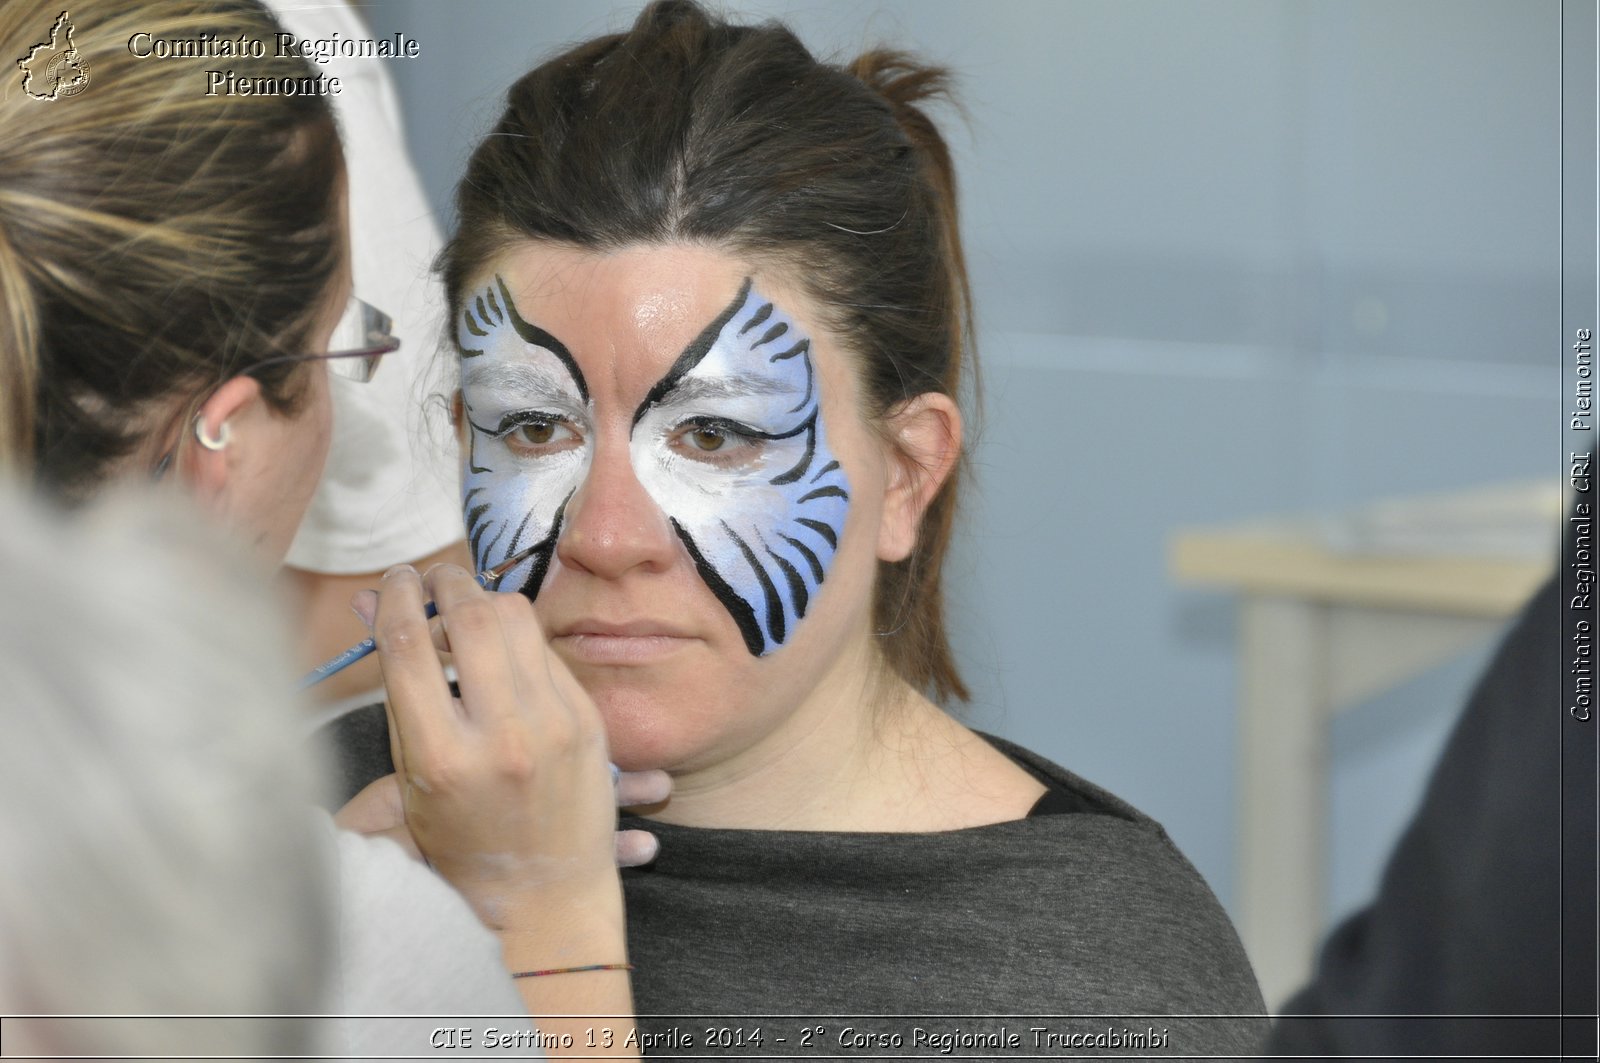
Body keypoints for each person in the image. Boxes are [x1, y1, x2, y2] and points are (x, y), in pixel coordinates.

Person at [333, 1, 1267, 1051]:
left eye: (717, 437)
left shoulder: (1089, 986)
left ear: (905, 476)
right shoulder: (337, 814)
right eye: (536, 426)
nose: (605, 535)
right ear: (462, 437)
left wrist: (537, 930)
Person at [0, 0, 654, 1052]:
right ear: (222, 431)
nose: (614, 536)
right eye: (342, 350)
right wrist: (544, 912)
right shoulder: (332, 938)